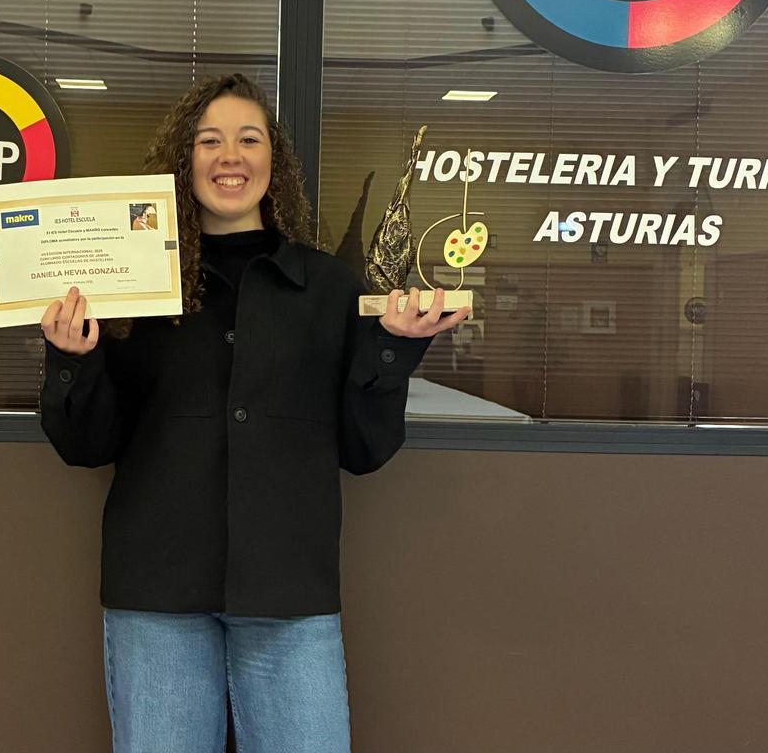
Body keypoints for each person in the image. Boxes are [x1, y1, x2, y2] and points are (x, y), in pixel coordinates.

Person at [39, 73, 466, 753]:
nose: (229, 156)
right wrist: (72, 358)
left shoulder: (328, 288)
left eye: (248, 139)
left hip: (289, 590)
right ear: (185, 160)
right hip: (157, 591)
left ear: (275, 160)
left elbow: (365, 449)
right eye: (208, 140)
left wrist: (396, 350)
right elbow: (86, 444)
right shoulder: (131, 288)